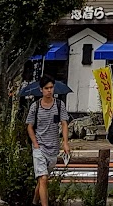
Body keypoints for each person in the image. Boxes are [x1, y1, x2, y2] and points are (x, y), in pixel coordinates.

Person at [26, 77, 71, 206]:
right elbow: (29, 126)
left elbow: (64, 123)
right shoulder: (35, 106)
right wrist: (35, 143)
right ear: (41, 90)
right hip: (39, 146)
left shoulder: (59, 104)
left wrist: (65, 142)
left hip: (53, 147)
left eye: (51, 88)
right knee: (43, 178)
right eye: (46, 88)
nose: (49, 90)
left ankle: (35, 201)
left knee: (42, 179)